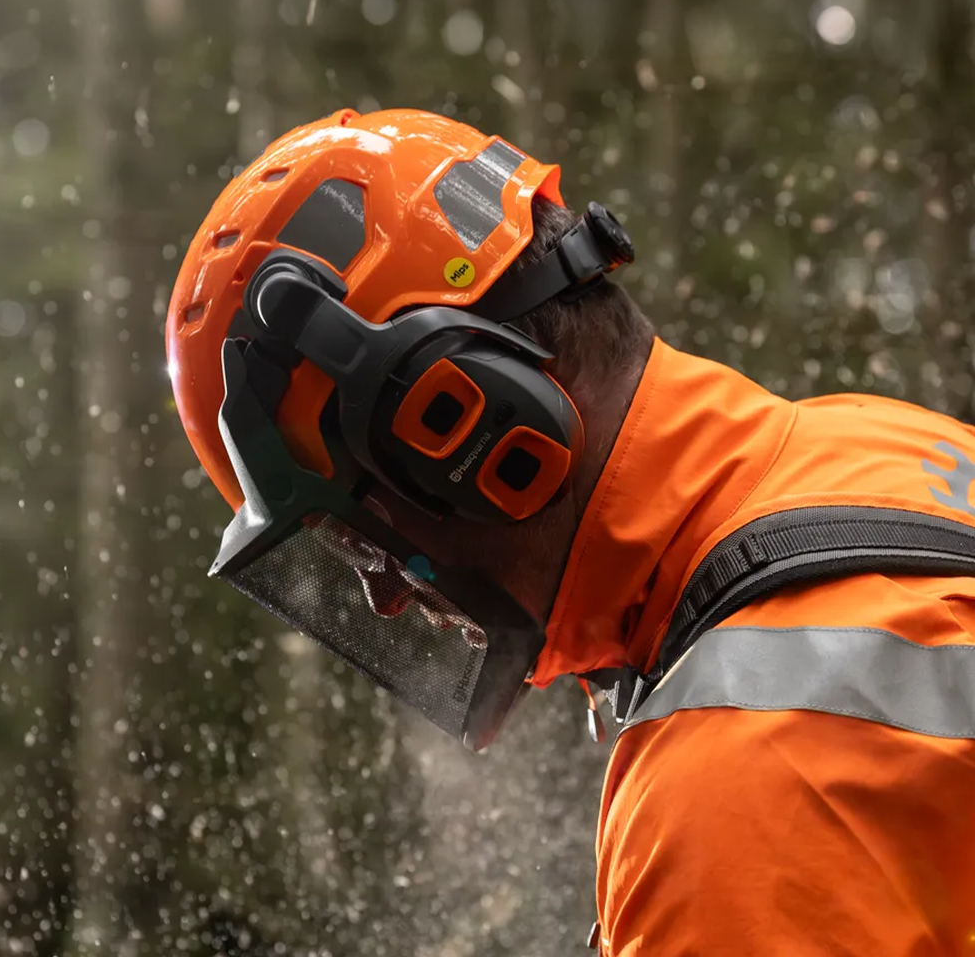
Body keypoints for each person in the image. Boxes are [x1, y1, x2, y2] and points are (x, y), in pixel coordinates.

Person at [167, 108, 975, 956]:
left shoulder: (735, 794)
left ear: (457, 420)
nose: (387, 592)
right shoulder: (887, 447)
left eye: (364, 535)